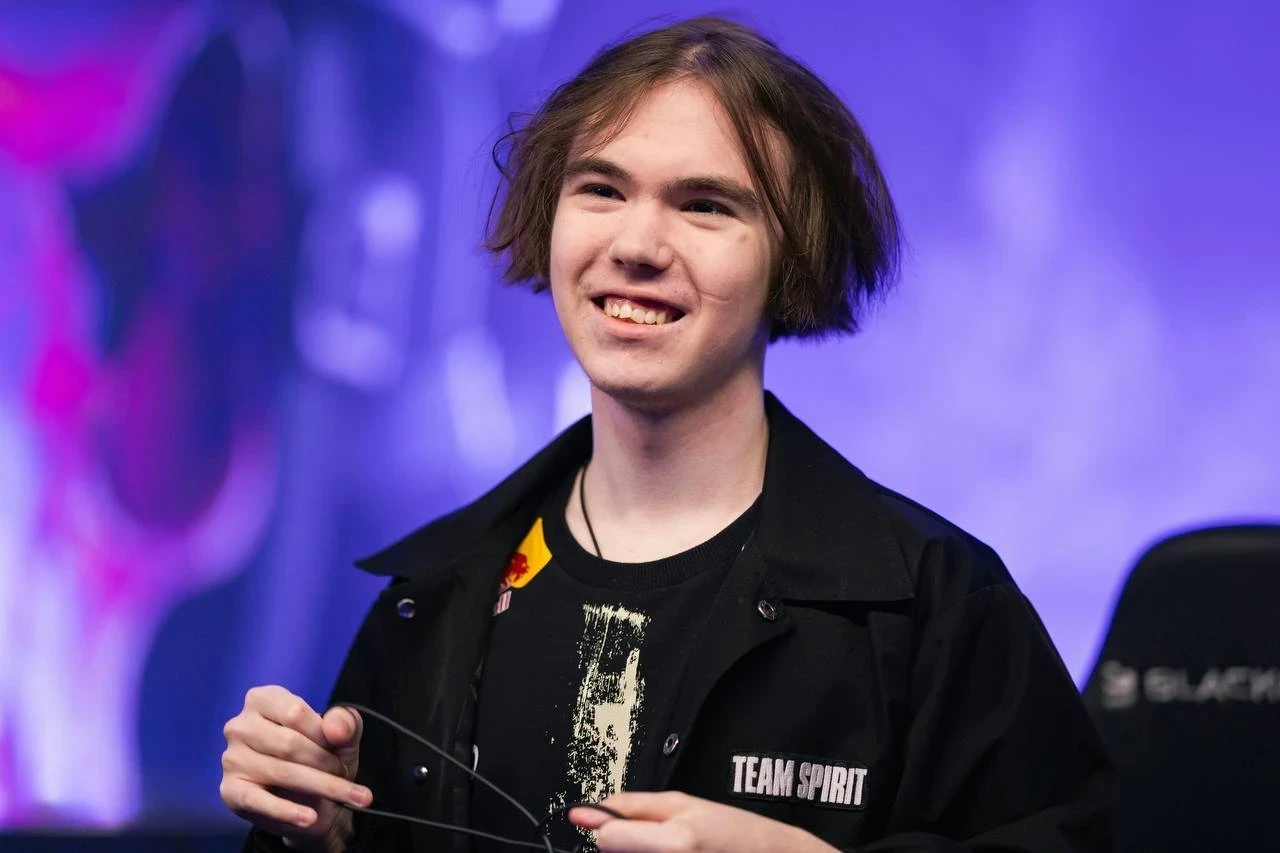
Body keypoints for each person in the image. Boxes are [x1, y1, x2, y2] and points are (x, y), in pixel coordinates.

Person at [220, 15, 1112, 853]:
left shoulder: (931, 605)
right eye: (601, 189)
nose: (637, 244)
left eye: (706, 205)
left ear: (794, 253)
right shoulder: (435, 600)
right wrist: (321, 835)